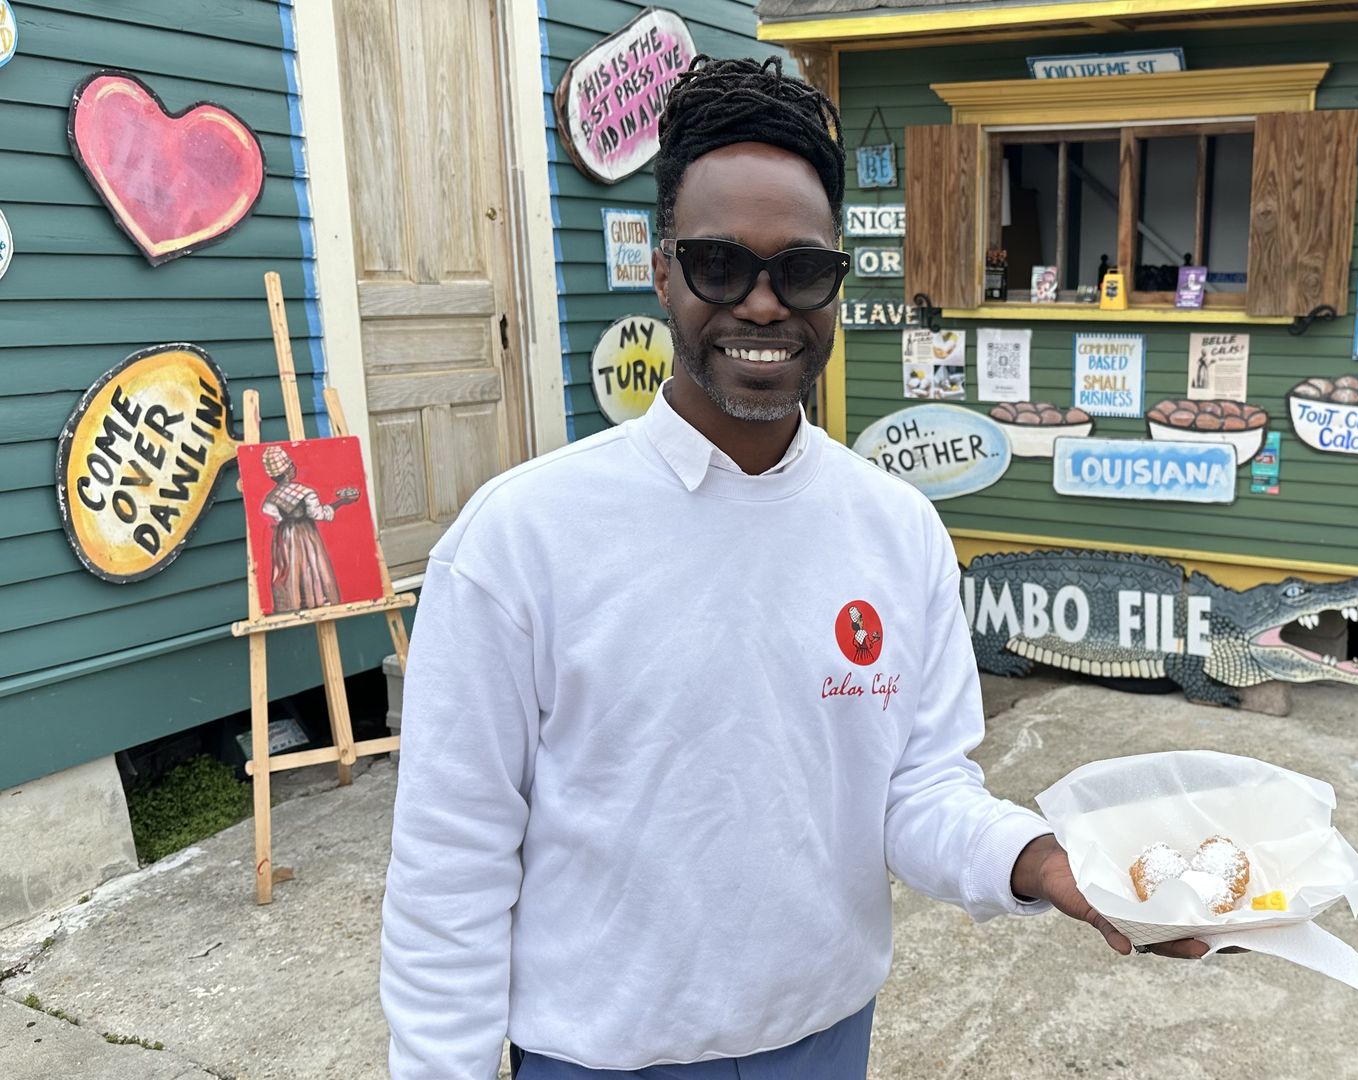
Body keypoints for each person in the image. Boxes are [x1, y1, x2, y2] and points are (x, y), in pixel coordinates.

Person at [379, 55, 1206, 1080]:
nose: (764, 305)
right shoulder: (520, 541)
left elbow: (917, 791)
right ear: (662, 271)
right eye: (721, 265)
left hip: (824, 1039)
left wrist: (1040, 862)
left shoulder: (897, 533)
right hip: (594, 1057)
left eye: (802, 270)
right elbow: (449, 875)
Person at [256, 445, 358, 613]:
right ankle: (316, 599)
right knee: (311, 565)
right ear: (288, 470)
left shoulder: (270, 499)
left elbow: (275, 516)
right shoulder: (306, 492)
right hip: (305, 534)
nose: (293, 467)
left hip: (285, 538)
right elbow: (317, 514)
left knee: (291, 568)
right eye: (290, 465)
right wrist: (341, 502)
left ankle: (294, 602)